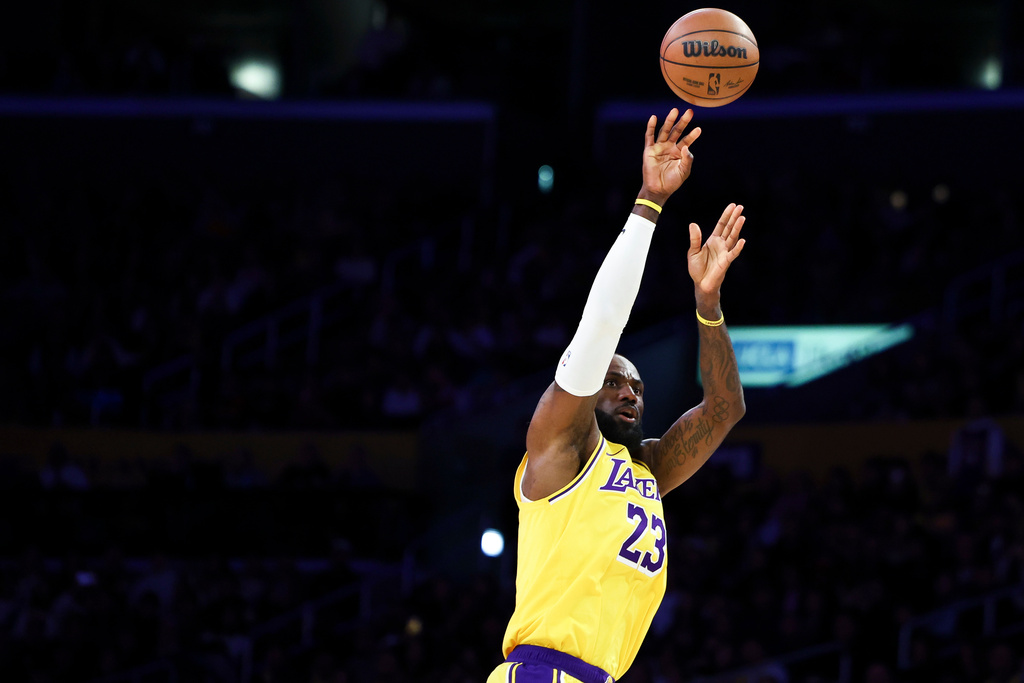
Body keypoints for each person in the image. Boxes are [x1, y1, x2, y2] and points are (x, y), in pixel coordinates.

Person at [487, 108, 747, 683]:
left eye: (638, 386)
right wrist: (649, 204)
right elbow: (601, 327)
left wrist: (708, 305)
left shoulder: (648, 468)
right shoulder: (558, 444)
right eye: (614, 381)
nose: (630, 392)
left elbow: (725, 410)